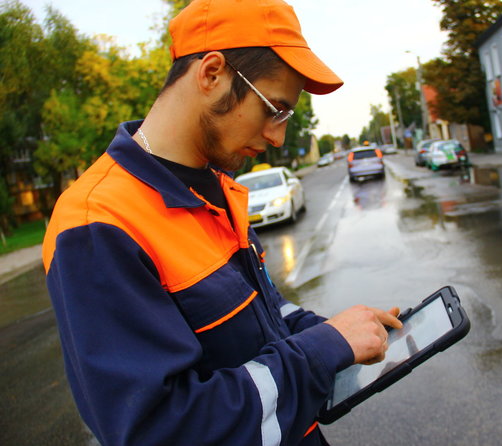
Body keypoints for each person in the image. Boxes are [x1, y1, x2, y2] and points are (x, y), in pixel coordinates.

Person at [41, 1, 402, 445]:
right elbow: (158, 431)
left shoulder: (217, 192)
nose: (277, 137)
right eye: (275, 109)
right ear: (212, 73)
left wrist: (339, 331)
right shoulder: (97, 225)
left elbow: (264, 316)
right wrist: (321, 350)